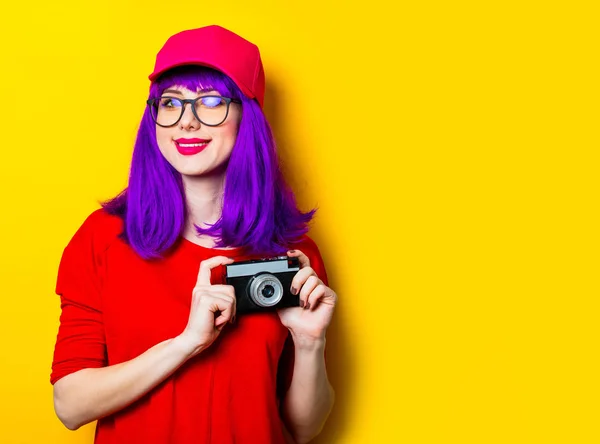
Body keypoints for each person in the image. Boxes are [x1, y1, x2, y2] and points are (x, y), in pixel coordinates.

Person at [50, 25, 337, 444]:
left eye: (210, 102)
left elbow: (303, 429)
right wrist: (187, 343)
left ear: (247, 116)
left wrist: (310, 342)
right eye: (171, 103)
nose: (186, 121)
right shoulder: (104, 238)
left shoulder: (293, 254)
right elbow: (70, 405)